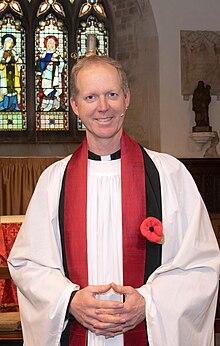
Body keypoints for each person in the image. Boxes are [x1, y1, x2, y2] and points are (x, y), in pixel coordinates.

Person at [8, 55, 220, 346]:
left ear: (127, 98)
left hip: (147, 333)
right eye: (91, 96)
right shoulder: (53, 181)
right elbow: (28, 264)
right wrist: (69, 299)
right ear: (74, 105)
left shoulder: (170, 175)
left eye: (111, 94)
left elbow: (201, 265)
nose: (103, 107)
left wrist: (149, 302)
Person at [37, 35, 65, 111]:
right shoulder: (44, 55)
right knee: (47, 90)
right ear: (46, 44)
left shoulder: (58, 55)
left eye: (53, 43)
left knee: (55, 91)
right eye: (49, 43)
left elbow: (62, 64)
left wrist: (57, 62)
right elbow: (41, 65)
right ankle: (45, 106)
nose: (51, 45)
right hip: (47, 76)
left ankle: (55, 106)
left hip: (56, 76)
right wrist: (47, 62)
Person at [0, 34, 23, 111]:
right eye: (8, 42)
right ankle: (3, 106)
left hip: (13, 76)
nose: (10, 44)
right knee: (4, 91)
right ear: (4, 43)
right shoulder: (0, 52)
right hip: (3, 76)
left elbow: (20, 63)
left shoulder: (14, 53)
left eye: (11, 43)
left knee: (14, 90)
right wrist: (4, 59)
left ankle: (14, 105)